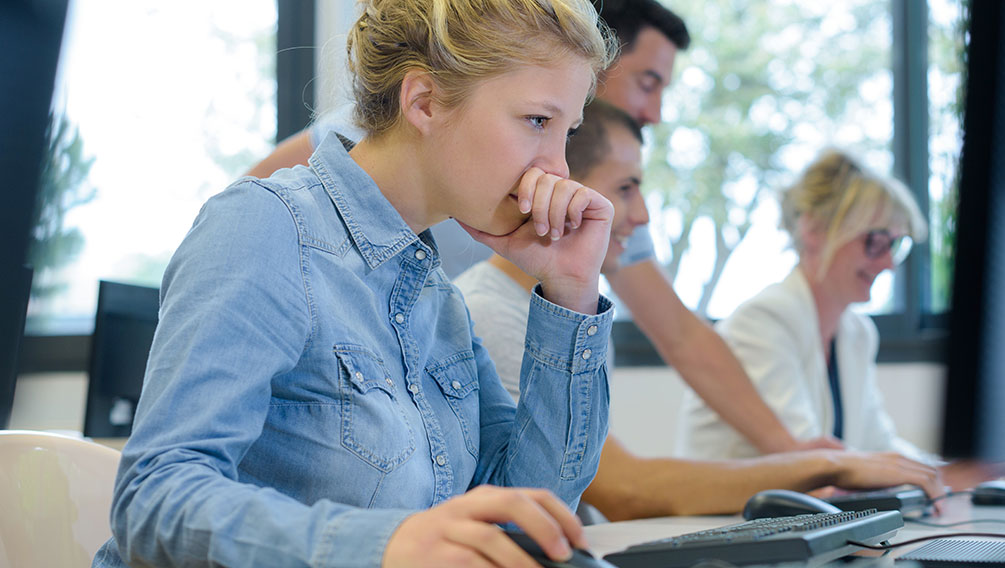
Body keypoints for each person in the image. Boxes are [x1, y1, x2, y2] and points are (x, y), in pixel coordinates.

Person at [94, 1, 619, 566]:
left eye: (566, 131)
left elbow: (529, 513)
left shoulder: (434, 294)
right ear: (425, 101)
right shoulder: (266, 227)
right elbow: (152, 499)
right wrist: (384, 545)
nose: (560, 169)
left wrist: (570, 291)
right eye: (538, 121)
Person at [247, 0, 839, 456]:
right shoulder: (392, 128)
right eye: (647, 82)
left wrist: (793, 453)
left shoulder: (588, 197)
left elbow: (681, 333)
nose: (655, 111)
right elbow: (257, 219)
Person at [455, 101, 946, 521]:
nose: (644, 215)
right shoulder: (492, 312)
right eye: (627, 188)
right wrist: (826, 465)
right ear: (561, 184)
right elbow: (622, 489)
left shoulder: (567, 312)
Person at [674, 149, 1005, 490]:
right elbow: (810, 460)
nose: (889, 264)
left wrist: (947, 471)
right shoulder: (764, 320)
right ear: (814, 230)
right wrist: (942, 477)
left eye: (896, 246)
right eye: (876, 242)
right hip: (728, 526)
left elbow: (878, 445)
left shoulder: (856, 333)